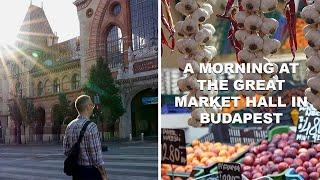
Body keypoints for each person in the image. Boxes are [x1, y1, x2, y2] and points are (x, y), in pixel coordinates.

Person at [63, 95, 106, 180]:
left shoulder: (70, 125)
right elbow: (97, 158)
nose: (93, 107)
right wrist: (104, 174)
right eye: (92, 105)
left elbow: (66, 151)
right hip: (90, 173)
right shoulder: (91, 126)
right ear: (87, 107)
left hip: (76, 173)